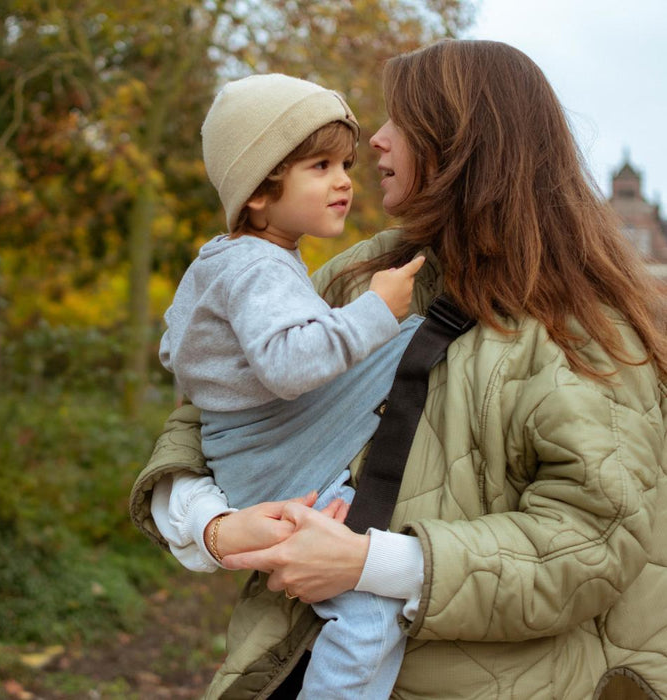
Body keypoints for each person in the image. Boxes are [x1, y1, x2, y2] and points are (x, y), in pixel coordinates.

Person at [131, 40, 667, 700]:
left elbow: (592, 543)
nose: (378, 140)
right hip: (288, 663)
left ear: (464, 142)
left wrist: (368, 563)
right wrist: (213, 528)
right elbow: (217, 407)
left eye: (400, 123)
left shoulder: (586, 328)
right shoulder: (363, 272)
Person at [157, 72, 427, 699]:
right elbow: (287, 365)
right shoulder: (258, 265)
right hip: (284, 470)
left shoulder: (229, 260)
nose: (343, 181)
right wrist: (377, 311)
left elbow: (182, 344)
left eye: (346, 164)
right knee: (366, 619)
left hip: (259, 464)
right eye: (319, 165)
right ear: (258, 191)